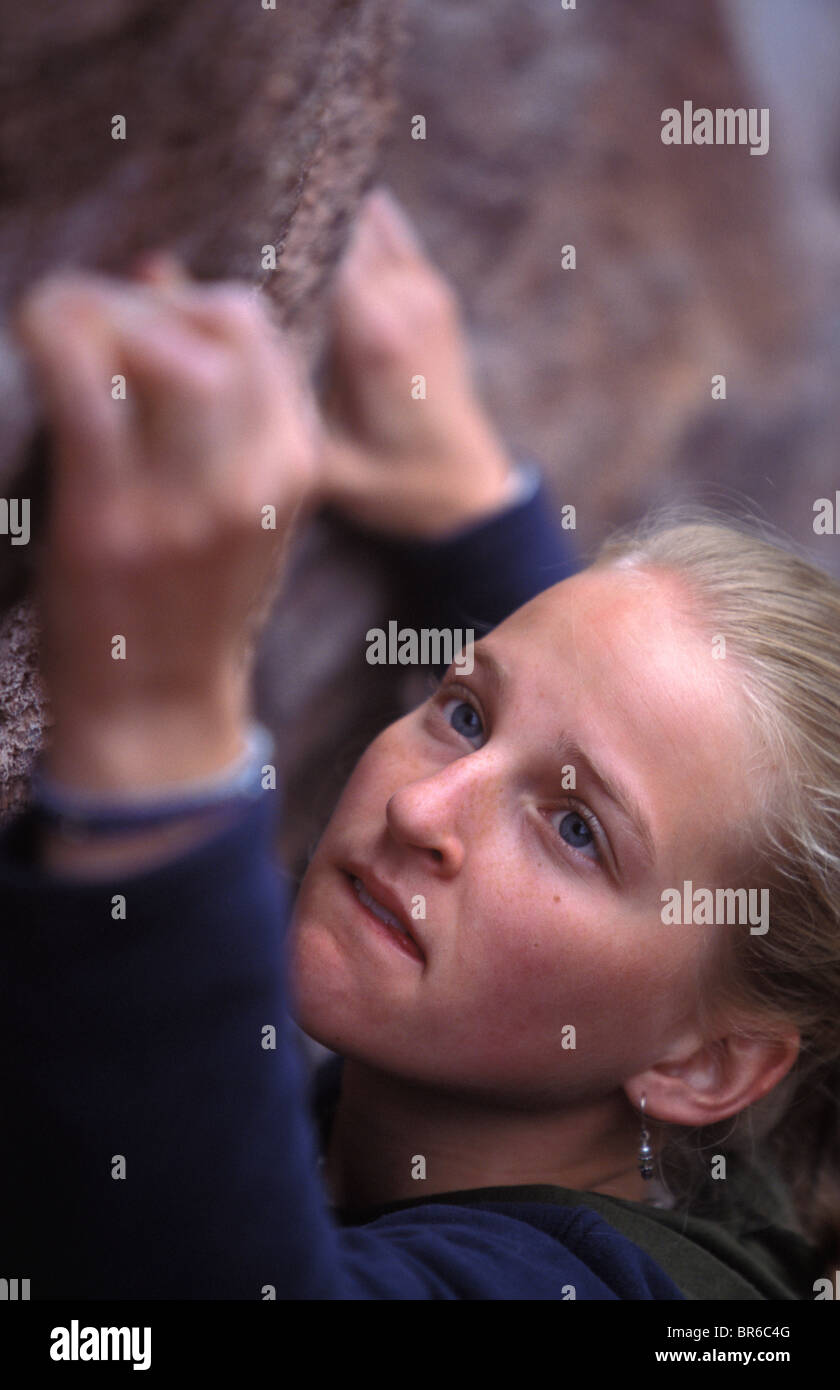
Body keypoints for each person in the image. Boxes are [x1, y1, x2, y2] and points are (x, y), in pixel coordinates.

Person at [1, 190, 836, 1300]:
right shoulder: (681, 1111)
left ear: (704, 1066)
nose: (420, 811)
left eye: (576, 832)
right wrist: (474, 507)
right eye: (465, 714)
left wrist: (157, 718)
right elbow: (642, 745)